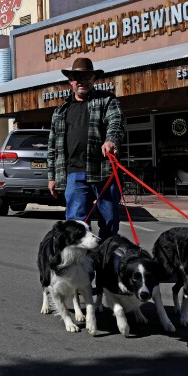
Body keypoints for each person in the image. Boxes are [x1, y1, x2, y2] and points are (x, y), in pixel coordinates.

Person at [47, 57, 125, 239]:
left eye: (86, 76)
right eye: (77, 77)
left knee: (109, 222)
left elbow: (116, 122)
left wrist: (111, 140)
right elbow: (52, 147)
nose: (82, 81)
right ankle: (81, 266)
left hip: (103, 172)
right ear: (71, 81)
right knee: (75, 227)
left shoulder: (107, 100)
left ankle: (106, 262)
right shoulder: (60, 111)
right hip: (74, 173)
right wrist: (51, 177)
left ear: (93, 79)